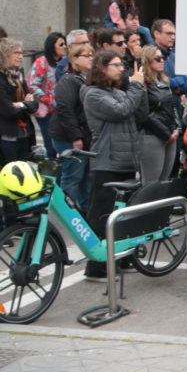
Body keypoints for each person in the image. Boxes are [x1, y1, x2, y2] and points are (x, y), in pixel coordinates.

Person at [80, 47, 149, 280]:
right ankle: (97, 266)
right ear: (101, 68)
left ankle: (122, 256)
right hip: (107, 162)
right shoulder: (93, 94)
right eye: (116, 65)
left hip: (127, 158)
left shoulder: (117, 91)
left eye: (122, 65)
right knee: (102, 215)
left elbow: (138, 112)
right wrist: (137, 87)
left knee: (123, 214)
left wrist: (139, 89)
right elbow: (121, 111)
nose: (122, 70)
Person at [49, 43, 94, 209]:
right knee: (72, 177)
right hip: (68, 137)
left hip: (83, 136)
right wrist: (76, 137)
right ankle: (65, 214)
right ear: (74, 59)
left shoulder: (85, 79)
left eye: (92, 55)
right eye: (86, 56)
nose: (91, 59)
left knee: (84, 179)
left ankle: (83, 215)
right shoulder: (68, 80)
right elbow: (65, 110)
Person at [138, 44, 179, 183]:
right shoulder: (142, 83)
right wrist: (165, 134)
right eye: (157, 58)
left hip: (170, 133)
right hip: (152, 136)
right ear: (147, 61)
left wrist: (177, 128)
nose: (162, 61)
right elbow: (145, 114)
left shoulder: (163, 82)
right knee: (151, 182)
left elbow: (172, 105)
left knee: (164, 180)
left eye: (163, 58)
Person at [0, 39, 36, 167]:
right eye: (16, 53)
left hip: (25, 132)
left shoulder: (18, 76)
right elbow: (9, 111)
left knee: (25, 170)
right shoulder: (1, 79)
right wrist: (25, 104)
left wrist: (20, 104)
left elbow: (34, 105)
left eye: (22, 53)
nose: (21, 56)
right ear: (5, 55)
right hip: (8, 136)